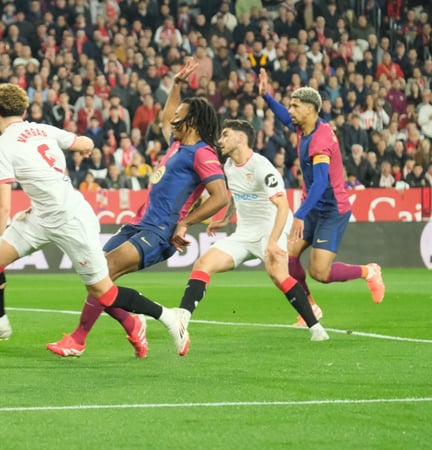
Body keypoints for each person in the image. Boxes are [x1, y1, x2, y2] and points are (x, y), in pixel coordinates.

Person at [0, 83, 187, 356]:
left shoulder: (2, 147)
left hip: (70, 219)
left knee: (103, 291)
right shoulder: (44, 129)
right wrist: (84, 148)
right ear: (24, 111)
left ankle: (166, 316)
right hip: (40, 216)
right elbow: (86, 143)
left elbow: (2, 207)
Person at [47, 58, 229, 358]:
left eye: (180, 116)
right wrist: (176, 85)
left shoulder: (203, 153)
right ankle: (133, 324)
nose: (173, 120)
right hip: (138, 223)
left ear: (193, 122)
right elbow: (167, 115)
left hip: (160, 231)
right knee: (96, 275)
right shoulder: (178, 145)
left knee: (103, 271)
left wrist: (185, 223)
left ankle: (79, 339)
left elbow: (220, 196)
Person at [174, 119, 329, 342]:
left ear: (240, 138)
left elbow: (283, 206)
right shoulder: (229, 166)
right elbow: (236, 193)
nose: (220, 140)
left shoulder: (261, 166)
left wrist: (273, 242)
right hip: (244, 234)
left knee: (277, 273)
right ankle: (181, 320)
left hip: (270, 229)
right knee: (202, 264)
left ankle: (316, 328)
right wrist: (225, 218)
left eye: (225, 134)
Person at [259, 68, 385, 327]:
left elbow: (320, 183)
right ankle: (311, 308)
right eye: (290, 105)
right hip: (314, 207)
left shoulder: (321, 140)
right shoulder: (303, 127)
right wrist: (267, 96)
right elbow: (283, 116)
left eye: (295, 106)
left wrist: (300, 214)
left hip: (332, 210)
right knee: (287, 257)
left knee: (319, 272)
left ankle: (369, 271)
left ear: (310, 109)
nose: (290, 110)